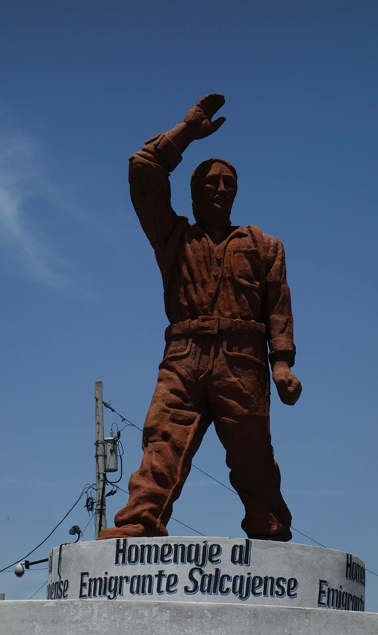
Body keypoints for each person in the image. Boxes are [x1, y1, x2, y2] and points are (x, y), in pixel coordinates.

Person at [99, 94, 302, 542]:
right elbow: (142, 169)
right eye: (210, 183)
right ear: (192, 194)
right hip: (184, 355)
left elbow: (278, 307)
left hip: (242, 359)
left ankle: (268, 523)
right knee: (164, 439)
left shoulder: (265, 246)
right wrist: (186, 131)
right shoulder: (173, 238)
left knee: (252, 451)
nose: (220, 189)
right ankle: (139, 521)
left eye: (228, 183)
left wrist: (281, 363)